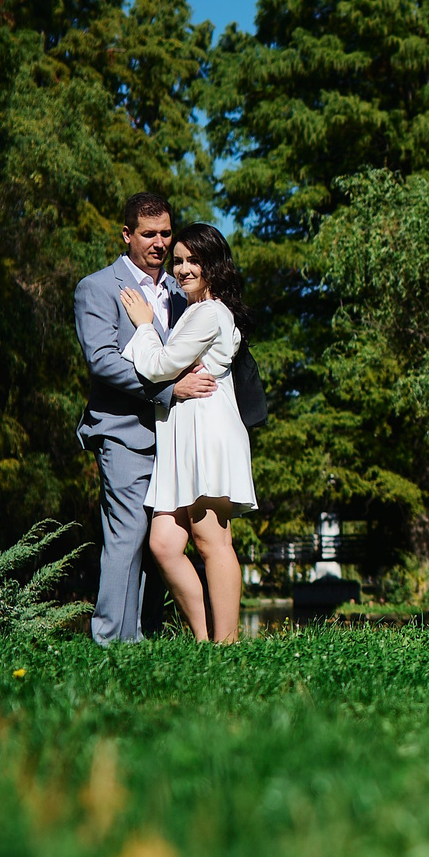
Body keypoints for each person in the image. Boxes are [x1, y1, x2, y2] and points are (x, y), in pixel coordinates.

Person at [73, 192, 217, 645]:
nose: (159, 243)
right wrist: (170, 389)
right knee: (127, 535)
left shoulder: (180, 290)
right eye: (149, 234)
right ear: (127, 234)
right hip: (123, 433)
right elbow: (103, 361)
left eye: (166, 234)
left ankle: (148, 638)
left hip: (175, 435)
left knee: (164, 542)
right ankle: (111, 640)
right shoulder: (97, 287)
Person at [118, 222, 257, 642]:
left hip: (208, 430)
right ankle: (203, 638)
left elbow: (159, 365)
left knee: (211, 539)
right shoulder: (195, 310)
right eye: (178, 261)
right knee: (164, 543)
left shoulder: (210, 312)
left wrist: (144, 325)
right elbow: (170, 367)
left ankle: (227, 643)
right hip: (182, 431)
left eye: (194, 260)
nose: (183, 269)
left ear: (214, 265)